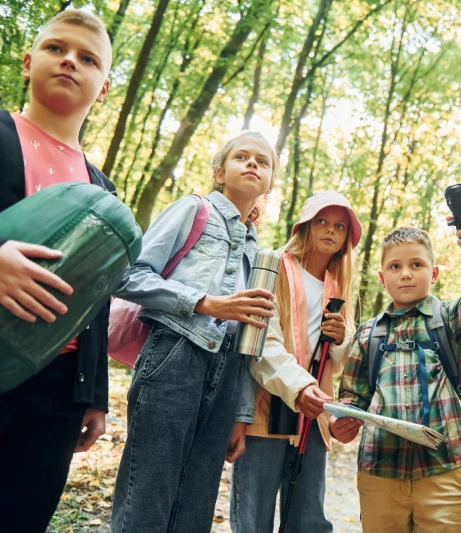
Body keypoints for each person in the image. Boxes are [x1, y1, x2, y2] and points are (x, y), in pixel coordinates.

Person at [110, 131, 278, 532]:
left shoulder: (259, 251)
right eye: (242, 157)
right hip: (174, 357)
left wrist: (239, 414)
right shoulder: (193, 209)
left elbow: (245, 338)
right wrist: (205, 302)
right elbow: (127, 275)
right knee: (147, 498)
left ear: (270, 181)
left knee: (195, 508)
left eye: (263, 161)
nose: (252, 164)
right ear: (220, 172)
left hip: (224, 378)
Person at [0, 9, 115, 532]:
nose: (70, 60)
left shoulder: (101, 188)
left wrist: (93, 397)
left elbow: (97, 298)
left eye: (87, 58)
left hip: (58, 390)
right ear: (28, 62)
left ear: (104, 86)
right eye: (56, 48)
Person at [335, 215, 461, 533]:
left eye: (416, 265)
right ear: (383, 279)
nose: (406, 274)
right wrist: (342, 421)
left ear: (434, 273)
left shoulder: (449, 320)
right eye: (395, 267)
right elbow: (352, 396)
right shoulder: (368, 334)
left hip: (443, 468)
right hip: (380, 472)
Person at [230, 190, 361, 533]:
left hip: (313, 415)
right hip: (266, 407)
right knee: (253, 517)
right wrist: (298, 385)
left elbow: (345, 361)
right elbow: (259, 340)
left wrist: (341, 337)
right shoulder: (271, 264)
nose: (330, 231)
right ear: (305, 225)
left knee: (308, 519)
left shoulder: (340, 286)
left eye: (340, 226)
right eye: (322, 221)